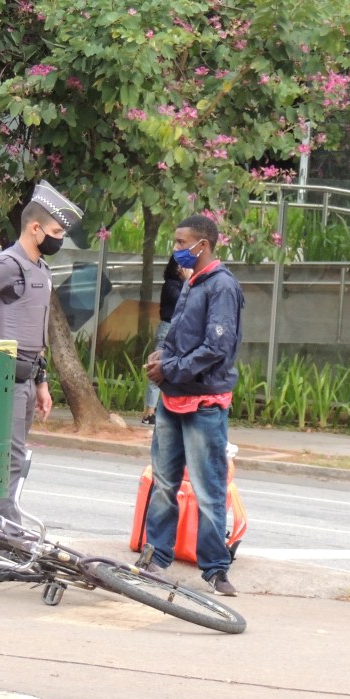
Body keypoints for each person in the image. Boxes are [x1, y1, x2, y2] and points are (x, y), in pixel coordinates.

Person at [0, 180, 83, 572]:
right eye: (56, 233)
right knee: (3, 463)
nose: (59, 240)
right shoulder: (7, 264)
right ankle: (8, 545)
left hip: (24, 379)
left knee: (6, 462)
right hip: (1, 380)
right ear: (34, 228)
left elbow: (31, 333)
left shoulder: (39, 269)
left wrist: (41, 382)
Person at [140, 214, 245, 595]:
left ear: (204, 244)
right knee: (165, 483)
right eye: (175, 242)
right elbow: (178, 336)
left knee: (207, 488)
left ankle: (216, 569)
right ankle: (156, 556)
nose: (177, 249)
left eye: (183, 243)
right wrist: (161, 356)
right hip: (173, 397)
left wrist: (170, 369)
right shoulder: (191, 283)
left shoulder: (222, 287)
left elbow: (216, 349)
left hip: (204, 403)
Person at [141, 256, 190, 425]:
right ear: (177, 268)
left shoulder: (184, 285)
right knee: (157, 369)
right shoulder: (171, 285)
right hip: (168, 328)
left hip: (179, 329)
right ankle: (149, 412)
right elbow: (182, 302)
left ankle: (166, 410)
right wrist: (188, 281)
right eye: (184, 266)